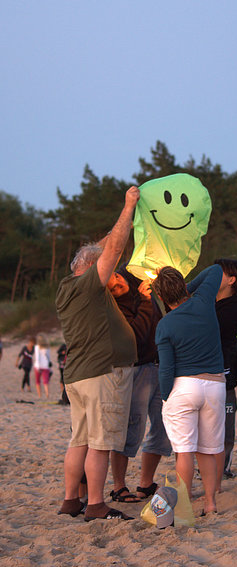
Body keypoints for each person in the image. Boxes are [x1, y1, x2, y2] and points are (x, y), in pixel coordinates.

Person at [56, 186, 140, 522]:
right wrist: (129, 205)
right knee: (100, 444)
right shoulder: (91, 284)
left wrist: (124, 223)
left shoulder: (67, 286)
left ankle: (69, 501)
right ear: (92, 268)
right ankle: (95, 504)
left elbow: (105, 246)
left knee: (79, 441)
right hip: (102, 373)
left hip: (78, 376)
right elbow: (113, 249)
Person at [153, 264, 225, 515]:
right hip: (215, 384)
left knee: (184, 452)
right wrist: (188, 289)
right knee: (207, 451)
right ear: (183, 286)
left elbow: (166, 369)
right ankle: (210, 503)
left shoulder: (165, 324)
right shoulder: (204, 301)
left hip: (184, 386)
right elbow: (216, 269)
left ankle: (183, 507)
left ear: (160, 297)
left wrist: (165, 397)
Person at [107, 265, 171, 503]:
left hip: (159, 366)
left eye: (117, 277)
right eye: (112, 288)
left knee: (163, 427)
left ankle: (145, 483)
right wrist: (146, 300)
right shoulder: (115, 310)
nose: (117, 284)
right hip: (136, 370)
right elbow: (136, 335)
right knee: (131, 427)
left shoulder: (140, 286)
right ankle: (119, 486)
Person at [213, 258, 237, 485]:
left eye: (218, 273)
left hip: (224, 374)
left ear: (231, 280)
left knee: (225, 426)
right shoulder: (206, 302)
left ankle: (222, 467)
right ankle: (204, 467)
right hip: (201, 373)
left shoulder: (235, 307)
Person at [34, 333, 51, 399]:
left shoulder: (37, 347)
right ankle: (47, 394)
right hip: (46, 365)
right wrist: (49, 365)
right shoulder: (47, 347)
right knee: (45, 381)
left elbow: (37, 357)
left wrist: (37, 366)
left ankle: (39, 395)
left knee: (38, 381)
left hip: (38, 365)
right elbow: (48, 357)